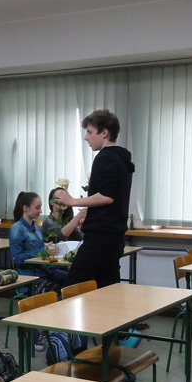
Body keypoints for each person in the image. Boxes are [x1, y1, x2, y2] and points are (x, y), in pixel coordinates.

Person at [55, 109, 135, 289]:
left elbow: (107, 197)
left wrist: (72, 201)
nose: (86, 138)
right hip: (114, 238)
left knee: (71, 288)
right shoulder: (121, 159)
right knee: (108, 291)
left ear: (104, 132)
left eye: (90, 132)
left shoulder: (105, 157)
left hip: (100, 238)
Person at [8, 192, 67, 285]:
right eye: (37, 208)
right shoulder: (17, 229)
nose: (40, 211)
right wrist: (43, 251)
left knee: (74, 277)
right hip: (31, 276)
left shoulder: (36, 227)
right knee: (68, 282)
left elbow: (39, 250)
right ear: (25, 208)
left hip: (44, 271)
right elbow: (17, 259)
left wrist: (48, 248)